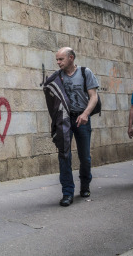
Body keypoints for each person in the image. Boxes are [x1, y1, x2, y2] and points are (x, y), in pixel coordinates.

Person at [43, 47, 99, 207]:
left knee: (85, 157)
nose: (58, 62)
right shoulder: (57, 77)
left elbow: (93, 97)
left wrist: (85, 114)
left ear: (71, 58)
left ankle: (85, 185)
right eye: (57, 60)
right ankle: (67, 193)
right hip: (64, 121)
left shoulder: (84, 73)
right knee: (64, 156)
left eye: (61, 59)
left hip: (82, 120)